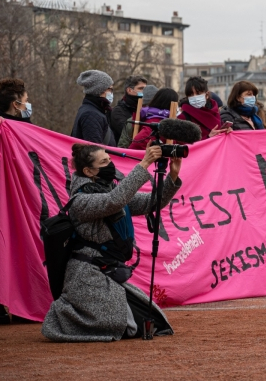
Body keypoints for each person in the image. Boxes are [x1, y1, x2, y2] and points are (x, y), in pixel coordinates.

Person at [41, 143, 181, 341]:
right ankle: (65, 313)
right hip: (85, 277)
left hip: (108, 273)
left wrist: (173, 176)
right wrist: (145, 162)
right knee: (123, 325)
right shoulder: (80, 201)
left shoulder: (110, 191)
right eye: (104, 162)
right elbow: (114, 201)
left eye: (110, 159)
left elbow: (150, 202)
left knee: (154, 321)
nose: (110, 164)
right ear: (89, 171)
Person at [0, 78, 33, 324]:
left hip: (26, 199)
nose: (28, 104)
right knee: (1, 250)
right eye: (25, 101)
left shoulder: (28, 127)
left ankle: (22, 305)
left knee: (24, 249)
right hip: (1, 197)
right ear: (16, 103)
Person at [71, 70, 116, 146]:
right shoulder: (91, 114)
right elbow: (95, 152)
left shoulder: (92, 110)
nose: (111, 93)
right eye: (110, 89)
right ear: (99, 90)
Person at [110, 75, 147, 144]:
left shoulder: (145, 109)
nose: (145, 92)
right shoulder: (118, 111)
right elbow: (127, 134)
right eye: (141, 88)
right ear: (129, 90)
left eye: (146, 89)